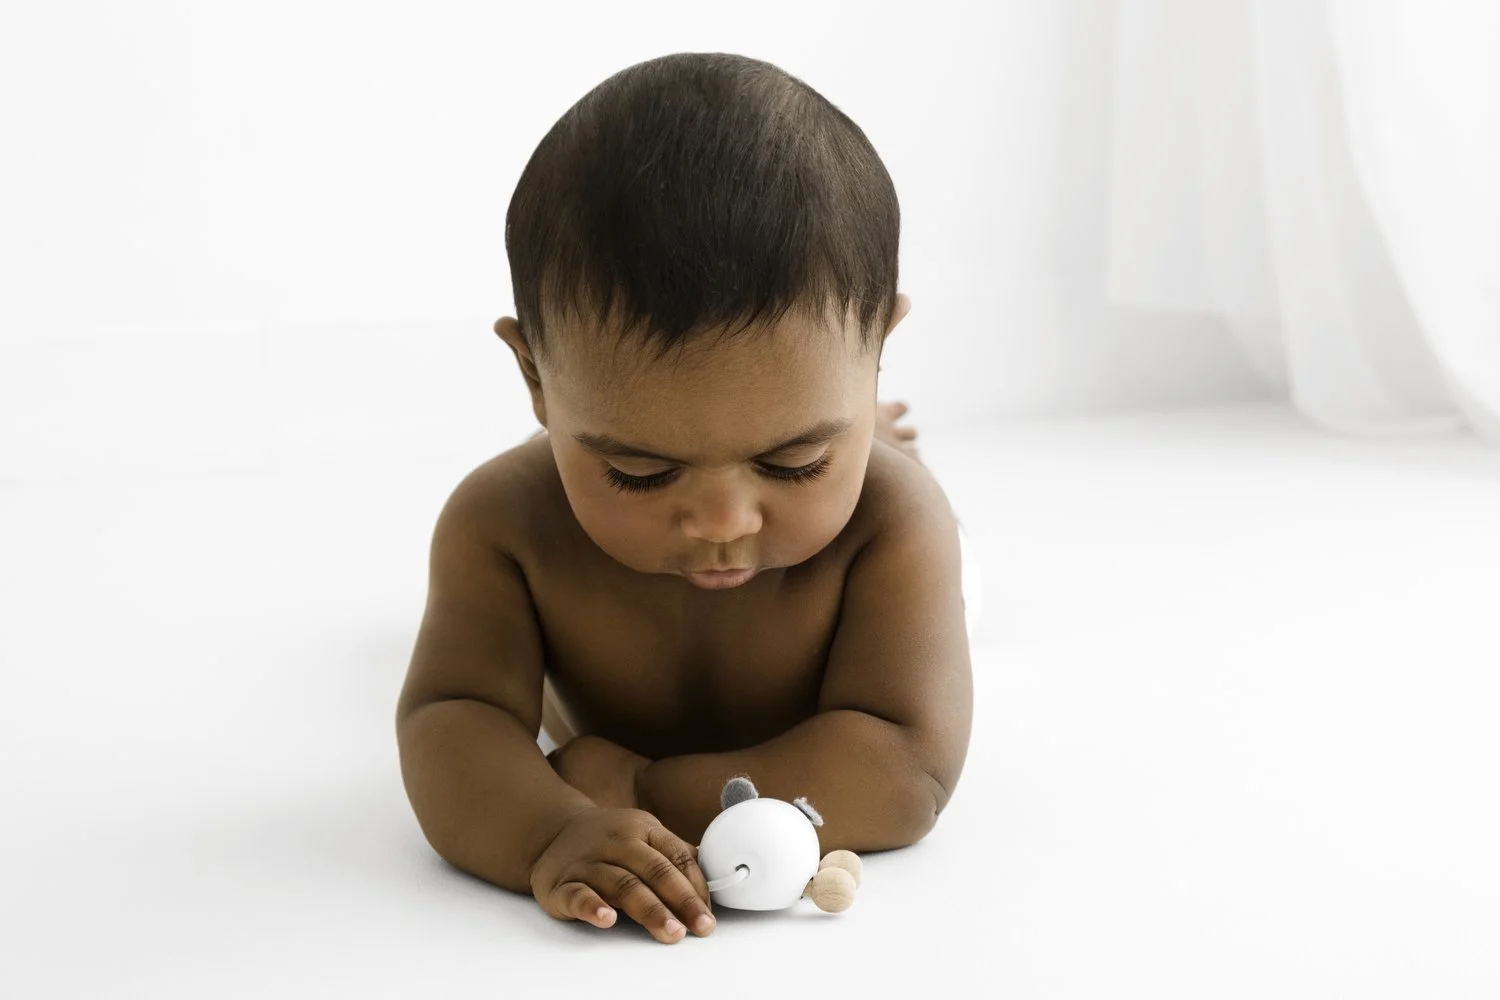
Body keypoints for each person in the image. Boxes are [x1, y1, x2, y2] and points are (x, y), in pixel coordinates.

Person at [395, 52, 973, 946]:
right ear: (535, 376)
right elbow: (451, 719)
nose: (722, 525)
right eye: (640, 472)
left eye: (792, 463)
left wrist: (638, 792)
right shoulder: (505, 527)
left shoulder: (890, 523)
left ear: (878, 346)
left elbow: (903, 771)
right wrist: (548, 828)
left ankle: (873, 433)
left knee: (901, 492)